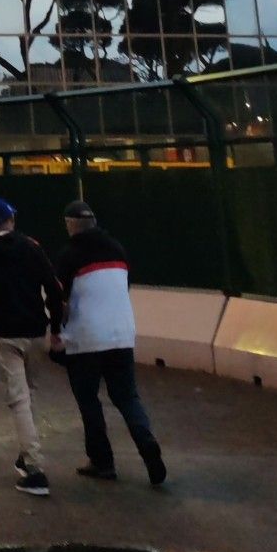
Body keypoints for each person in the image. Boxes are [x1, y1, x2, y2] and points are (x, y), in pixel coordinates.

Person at [53, 197, 167, 487]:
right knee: (127, 397)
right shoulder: (118, 249)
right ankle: (146, 441)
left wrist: (56, 333)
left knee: (89, 400)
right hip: (121, 335)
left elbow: (59, 301)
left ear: (70, 225)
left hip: (85, 340)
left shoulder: (68, 256)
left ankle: (102, 462)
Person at [0, 196, 64, 497]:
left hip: (6, 334)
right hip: (35, 330)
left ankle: (35, 469)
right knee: (29, 394)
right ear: (11, 220)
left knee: (18, 400)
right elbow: (54, 288)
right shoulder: (32, 246)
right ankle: (25, 453)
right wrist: (56, 328)